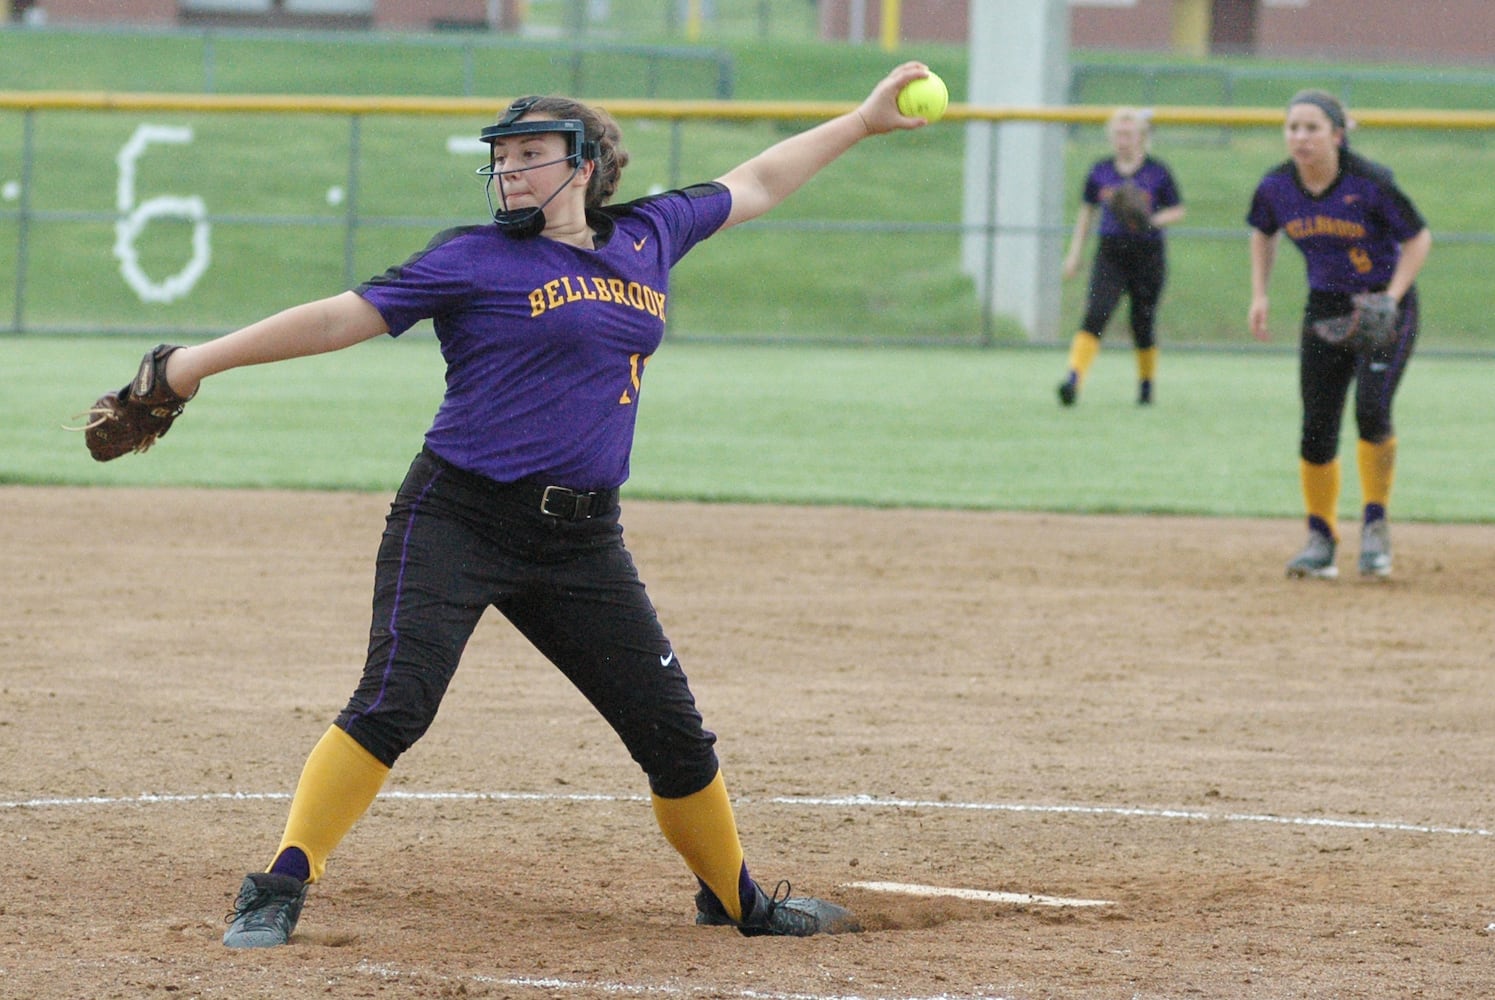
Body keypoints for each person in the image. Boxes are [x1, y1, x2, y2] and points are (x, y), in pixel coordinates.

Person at [86, 63, 939, 947]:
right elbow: (342, 318)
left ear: (586, 167)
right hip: (458, 516)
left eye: (532, 155)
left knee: (676, 736)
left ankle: (737, 897)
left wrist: (863, 121)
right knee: (393, 702)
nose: (510, 171)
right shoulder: (473, 256)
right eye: (502, 157)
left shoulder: (648, 234)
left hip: (582, 541)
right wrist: (190, 364)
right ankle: (279, 882)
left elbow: (755, 182)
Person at [1247, 89, 1431, 580]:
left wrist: (1392, 297)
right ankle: (1320, 536)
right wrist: (1259, 294)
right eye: (1293, 128)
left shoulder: (1369, 182)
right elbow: (1262, 231)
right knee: (1316, 426)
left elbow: (1418, 238)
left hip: (1383, 305)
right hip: (1326, 308)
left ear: (1336, 134)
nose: (1300, 137)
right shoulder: (1276, 186)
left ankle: (1374, 525)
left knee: (1371, 410)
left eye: (1311, 128)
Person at [1058, 107, 1185, 406]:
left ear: (1141, 136)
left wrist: (1152, 220)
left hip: (1147, 253)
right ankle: (1073, 380)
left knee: (1142, 321)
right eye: (1117, 133)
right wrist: (1074, 254)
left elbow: (1177, 210)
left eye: (1128, 134)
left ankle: (1146, 384)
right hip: (1111, 252)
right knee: (1096, 312)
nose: (1122, 139)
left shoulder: (1157, 171)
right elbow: (1086, 212)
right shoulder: (1100, 171)